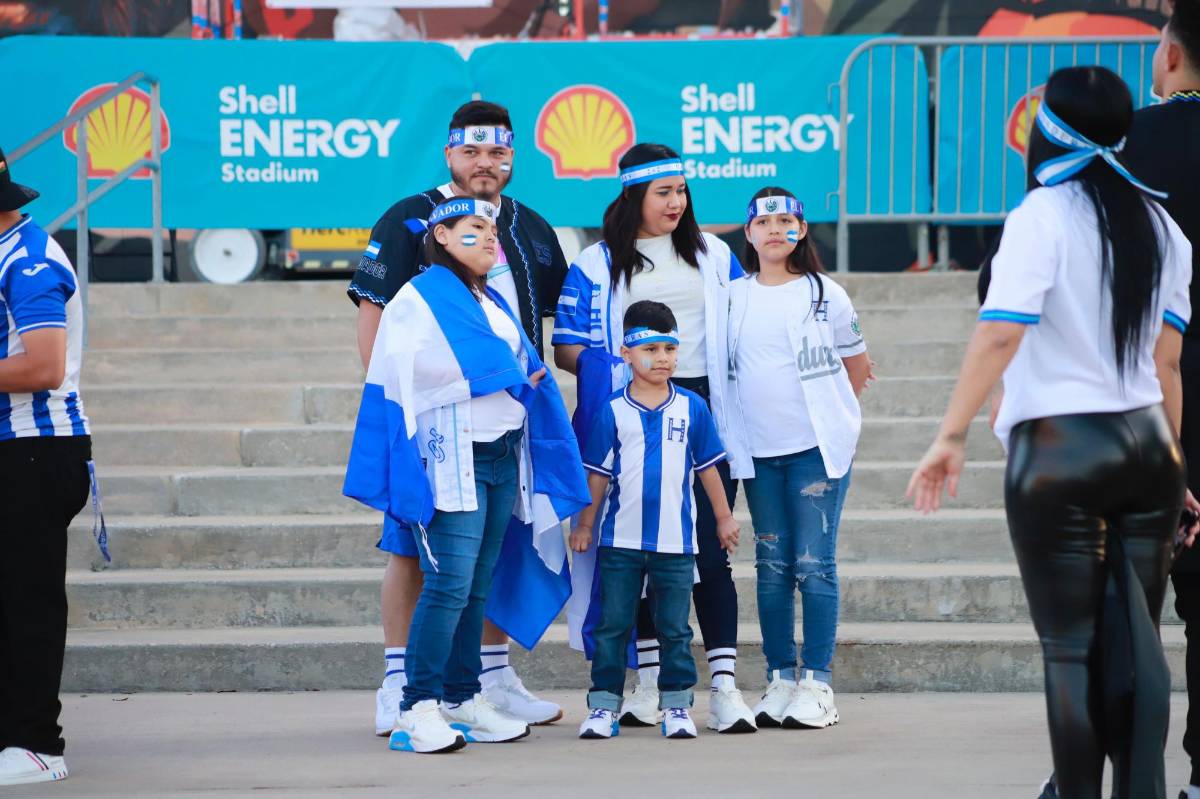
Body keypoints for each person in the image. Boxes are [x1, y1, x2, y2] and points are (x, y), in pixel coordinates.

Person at [907, 66, 1198, 798]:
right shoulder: (1162, 224)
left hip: (1063, 446)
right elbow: (1168, 366)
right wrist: (1178, 467)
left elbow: (1001, 332)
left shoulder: (1041, 215)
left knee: (1070, 651)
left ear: (1047, 132)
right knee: (1138, 641)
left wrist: (950, 434)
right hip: (1147, 445)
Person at [347, 100, 570, 734]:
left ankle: (487, 676)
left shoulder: (532, 227)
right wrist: (397, 418)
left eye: (497, 152)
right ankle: (402, 684)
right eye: (471, 151)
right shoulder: (412, 218)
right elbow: (375, 319)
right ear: (449, 153)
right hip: (436, 427)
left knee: (492, 556)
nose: (484, 164)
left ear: (512, 158)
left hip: (507, 422)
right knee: (416, 551)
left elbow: (545, 328)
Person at [554, 143, 756, 733]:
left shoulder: (716, 254)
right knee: (638, 551)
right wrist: (621, 370)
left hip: (702, 414)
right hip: (632, 420)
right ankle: (648, 685)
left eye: (682, 191)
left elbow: (746, 325)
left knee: (707, 555)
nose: (676, 202)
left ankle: (722, 686)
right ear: (633, 195)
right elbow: (568, 345)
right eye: (663, 192)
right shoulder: (596, 264)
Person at [722, 187, 870, 729]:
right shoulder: (734, 297)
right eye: (765, 222)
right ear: (750, 233)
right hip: (758, 454)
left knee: (815, 565)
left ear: (803, 230)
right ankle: (780, 677)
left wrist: (832, 419)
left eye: (788, 220)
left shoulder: (825, 293)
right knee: (771, 568)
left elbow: (857, 364)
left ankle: (818, 683)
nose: (776, 229)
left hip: (815, 454)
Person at [569, 300, 740, 740]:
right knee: (613, 624)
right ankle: (605, 705)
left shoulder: (692, 406)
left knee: (675, 627)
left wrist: (724, 518)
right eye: (651, 349)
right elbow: (597, 476)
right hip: (620, 541)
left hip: (676, 543)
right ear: (627, 354)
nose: (662, 358)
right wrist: (585, 525)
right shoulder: (611, 410)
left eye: (669, 349)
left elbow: (708, 468)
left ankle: (677, 705)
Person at [1122, 5, 1200, 797]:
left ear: (1170, 54)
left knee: (1130, 596)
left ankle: (1119, 770)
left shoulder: (1130, 143)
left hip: (1150, 378)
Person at [0, 149, 94, 786]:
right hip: (20, 449)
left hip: (34, 450)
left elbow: (43, 366)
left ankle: (37, 745)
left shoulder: (28, 259)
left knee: (26, 601)